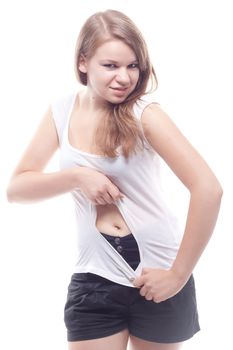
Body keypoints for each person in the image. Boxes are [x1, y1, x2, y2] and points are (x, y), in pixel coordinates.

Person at [7, 9, 223, 350]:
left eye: (133, 66)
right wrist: (78, 177)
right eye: (111, 65)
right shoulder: (61, 112)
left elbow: (209, 189)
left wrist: (178, 275)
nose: (124, 78)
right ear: (83, 63)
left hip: (159, 273)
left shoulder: (145, 115)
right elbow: (17, 189)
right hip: (95, 274)